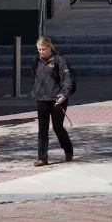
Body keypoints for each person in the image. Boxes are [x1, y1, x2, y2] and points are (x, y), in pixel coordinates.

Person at [31, 35, 74, 166]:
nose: (41, 52)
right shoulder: (36, 60)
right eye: (39, 49)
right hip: (42, 98)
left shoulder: (59, 60)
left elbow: (67, 79)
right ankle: (42, 158)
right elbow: (35, 76)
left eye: (43, 49)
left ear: (50, 47)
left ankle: (68, 149)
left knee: (57, 127)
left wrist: (63, 94)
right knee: (42, 128)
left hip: (57, 99)